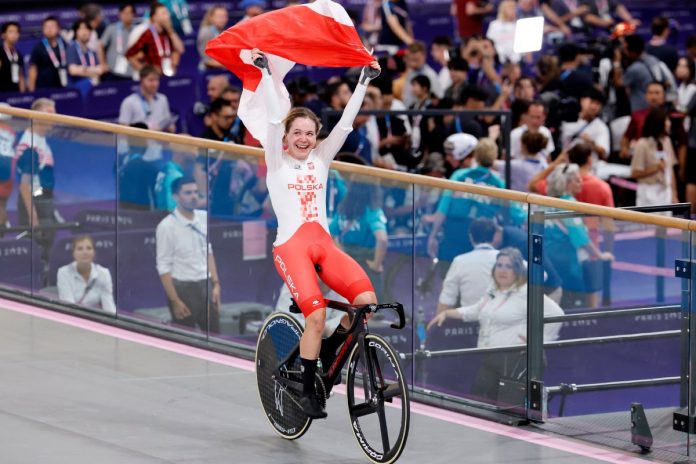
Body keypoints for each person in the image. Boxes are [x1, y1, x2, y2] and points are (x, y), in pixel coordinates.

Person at [251, 48, 381, 419]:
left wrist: (363, 81)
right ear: (287, 137)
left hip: (323, 246)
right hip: (291, 249)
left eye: (310, 133)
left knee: (366, 302)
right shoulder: (276, 161)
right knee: (317, 315)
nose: (305, 139)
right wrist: (265, 74)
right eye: (298, 133)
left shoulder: (321, 159)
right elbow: (275, 120)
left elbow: (344, 125)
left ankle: (328, 353)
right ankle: (306, 388)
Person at [428, 247, 564, 401]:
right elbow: (476, 310)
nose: (503, 270)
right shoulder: (494, 292)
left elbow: (557, 314)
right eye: (499, 265)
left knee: (508, 408)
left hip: (516, 360)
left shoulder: (526, 293)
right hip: (490, 357)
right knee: (480, 400)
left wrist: (537, 342)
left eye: (509, 266)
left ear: (518, 270)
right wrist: (446, 313)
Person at [543, 163, 614, 308]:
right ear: (567, 183)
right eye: (577, 180)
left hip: (548, 264)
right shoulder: (569, 205)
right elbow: (580, 239)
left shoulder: (547, 202)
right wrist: (600, 255)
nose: (581, 182)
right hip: (568, 267)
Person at [156, 176, 221, 332]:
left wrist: (216, 284)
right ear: (175, 197)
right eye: (187, 193)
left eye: (196, 192)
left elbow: (208, 251)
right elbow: (163, 267)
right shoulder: (166, 226)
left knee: (215, 338)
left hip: (206, 285)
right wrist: (175, 300)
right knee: (185, 343)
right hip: (182, 288)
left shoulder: (203, 217)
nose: (193, 197)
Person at [427, 138, 507, 263]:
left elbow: (443, 209)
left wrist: (433, 236)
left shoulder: (459, 175)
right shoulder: (499, 183)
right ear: (494, 157)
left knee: (450, 276)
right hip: (483, 236)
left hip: (456, 232)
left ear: (476, 155)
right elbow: (507, 213)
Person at [15, 99, 59, 262]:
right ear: (36, 116)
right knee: (39, 249)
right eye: (50, 113)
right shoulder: (30, 146)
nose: (55, 117)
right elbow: (24, 185)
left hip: (42, 196)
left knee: (48, 244)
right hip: (36, 199)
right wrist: (33, 215)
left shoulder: (40, 140)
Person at [329, 179, 388, 300]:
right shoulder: (372, 211)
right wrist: (376, 265)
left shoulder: (343, 209)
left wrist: (341, 253)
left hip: (345, 264)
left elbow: (330, 233)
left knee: (345, 304)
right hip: (366, 265)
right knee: (369, 310)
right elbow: (382, 239)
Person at [437, 217, 500, 313]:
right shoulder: (507, 260)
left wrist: (438, 324)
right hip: (502, 321)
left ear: (470, 237)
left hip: (469, 324)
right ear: (495, 236)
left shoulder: (459, 261)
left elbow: (447, 299)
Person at [630, 107, 678, 206]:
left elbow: (670, 169)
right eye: (666, 120)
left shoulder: (666, 141)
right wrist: (655, 168)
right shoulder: (642, 144)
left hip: (665, 191)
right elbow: (635, 173)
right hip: (648, 192)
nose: (669, 123)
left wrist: (674, 194)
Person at [57, 235, 116, 314]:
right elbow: (68, 307)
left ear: (94, 252)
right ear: (73, 253)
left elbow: (109, 307)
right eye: (80, 249)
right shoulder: (63, 272)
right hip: (72, 319)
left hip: (94, 319)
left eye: (89, 248)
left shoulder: (104, 273)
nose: (85, 252)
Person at [126, 2, 184, 77]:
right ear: (155, 17)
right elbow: (130, 54)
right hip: (154, 78)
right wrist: (145, 71)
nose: (168, 16)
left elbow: (180, 49)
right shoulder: (148, 34)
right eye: (164, 13)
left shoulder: (168, 32)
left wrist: (170, 30)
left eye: (167, 13)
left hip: (168, 75)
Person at [560, 87, 610, 165]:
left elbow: (604, 154)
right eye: (592, 102)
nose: (594, 107)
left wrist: (591, 143)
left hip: (588, 169)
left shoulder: (601, 127)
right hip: (565, 165)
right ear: (582, 101)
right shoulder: (567, 119)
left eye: (598, 104)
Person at [118, 65, 175, 132]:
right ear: (141, 80)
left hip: (159, 140)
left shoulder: (163, 99)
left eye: (157, 80)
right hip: (138, 141)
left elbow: (170, 125)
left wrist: (170, 127)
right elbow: (122, 130)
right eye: (151, 80)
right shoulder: (129, 102)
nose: (155, 84)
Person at [28, 16, 68, 91]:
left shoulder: (65, 45)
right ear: (43, 29)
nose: (49, 29)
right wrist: (31, 91)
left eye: (52, 26)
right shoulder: (38, 48)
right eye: (46, 27)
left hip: (63, 86)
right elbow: (33, 69)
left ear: (58, 29)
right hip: (44, 87)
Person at [67, 19, 105, 97]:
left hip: (93, 89)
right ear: (75, 32)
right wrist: (92, 72)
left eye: (87, 29)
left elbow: (100, 69)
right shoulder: (72, 48)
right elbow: (73, 70)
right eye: (81, 29)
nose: (84, 32)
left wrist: (83, 70)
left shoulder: (90, 51)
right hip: (77, 90)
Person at [101, 3, 136, 80]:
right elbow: (100, 45)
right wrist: (103, 63)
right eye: (125, 13)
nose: (127, 15)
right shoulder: (111, 28)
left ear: (134, 15)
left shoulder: (137, 30)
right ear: (120, 14)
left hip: (131, 70)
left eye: (130, 13)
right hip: (112, 70)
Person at [485, 0, 520, 64]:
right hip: (499, 60)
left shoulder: (519, 25)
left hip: (517, 60)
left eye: (515, 8)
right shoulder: (495, 25)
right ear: (503, 10)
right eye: (511, 8)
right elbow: (489, 43)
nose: (514, 10)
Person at [197, 5, 229, 70]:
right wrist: (229, 65)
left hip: (221, 69)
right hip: (208, 71)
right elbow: (206, 60)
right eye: (219, 17)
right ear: (211, 18)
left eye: (224, 16)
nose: (223, 19)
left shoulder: (224, 32)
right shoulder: (206, 32)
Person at [0, 110, 15, 229]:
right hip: (8, 167)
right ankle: (3, 226)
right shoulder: (11, 131)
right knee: (2, 202)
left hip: (5, 164)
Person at [0, 22, 25, 93]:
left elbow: (20, 75)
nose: (14, 35)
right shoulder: (1, 52)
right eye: (11, 31)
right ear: (3, 35)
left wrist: (22, 93)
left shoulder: (18, 54)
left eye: (16, 32)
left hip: (15, 92)